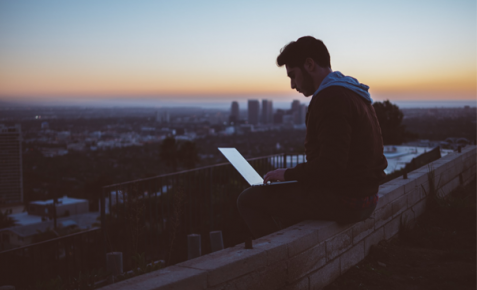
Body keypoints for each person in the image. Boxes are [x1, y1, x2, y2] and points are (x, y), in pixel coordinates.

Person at [237, 36, 388, 239]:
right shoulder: (353, 91)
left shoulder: (330, 97)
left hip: (348, 201)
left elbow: (331, 165)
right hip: (366, 196)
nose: (292, 85)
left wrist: (288, 174)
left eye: (293, 75)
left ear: (309, 64)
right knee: (285, 198)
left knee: (248, 199)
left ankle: (281, 258)